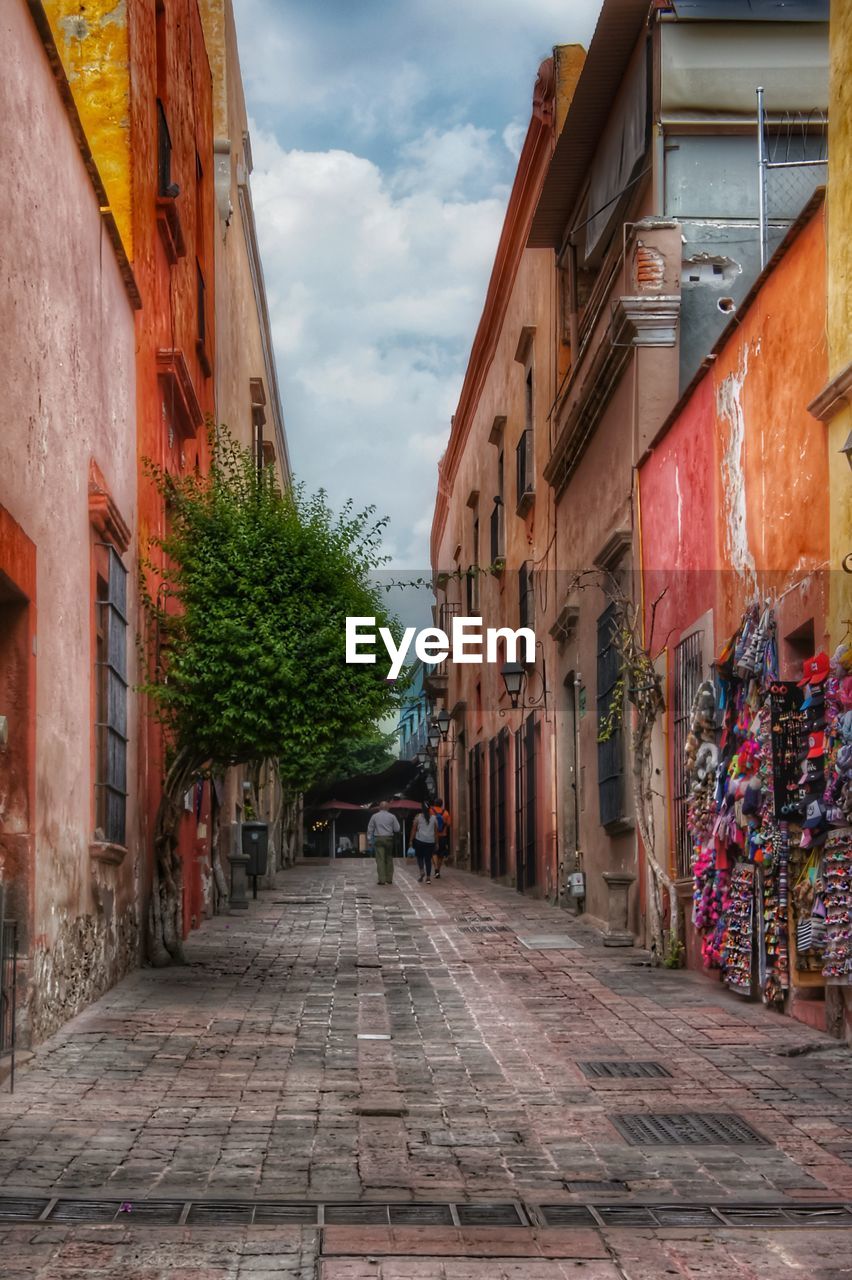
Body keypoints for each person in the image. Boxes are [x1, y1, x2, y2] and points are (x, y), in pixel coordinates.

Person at [366, 801, 400, 885]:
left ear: (379, 808)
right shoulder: (392, 816)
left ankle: (382, 879)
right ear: (388, 808)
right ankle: (389, 879)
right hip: (389, 839)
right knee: (389, 858)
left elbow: (370, 828)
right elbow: (397, 829)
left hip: (378, 838)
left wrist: (369, 840)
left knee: (380, 859)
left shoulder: (374, 816)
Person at [410, 800, 438, 884]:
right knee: (428, 859)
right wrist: (437, 843)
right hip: (430, 841)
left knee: (420, 857)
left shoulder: (418, 817)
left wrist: (411, 840)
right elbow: (436, 832)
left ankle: (422, 871)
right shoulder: (434, 818)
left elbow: (414, 830)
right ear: (430, 808)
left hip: (420, 841)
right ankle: (428, 878)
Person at [430, 797, 451, 879]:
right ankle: (438, 870)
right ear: (442, 804)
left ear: (434, 803)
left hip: (432, 835)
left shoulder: (430, 811)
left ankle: (435, 869)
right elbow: (449, 824)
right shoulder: (445, 813)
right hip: (443, 835)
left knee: (433, 853)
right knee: (441, 854)